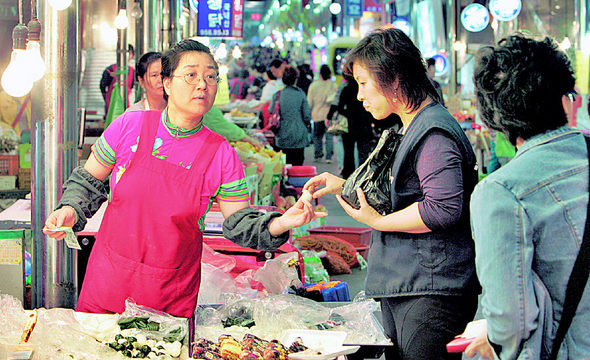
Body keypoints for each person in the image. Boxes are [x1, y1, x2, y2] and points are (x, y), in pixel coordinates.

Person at [43, 39, 324, 318]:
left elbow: (239, 224)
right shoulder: (130, 126)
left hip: (169, 298)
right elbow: (88, 181)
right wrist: (70, 209)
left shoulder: (221, 154)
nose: (202, 84)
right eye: (191, 75)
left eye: (211, 76)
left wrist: (282, 222)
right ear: (166, 83)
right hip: (109, 284)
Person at [303, 28, 480, 360]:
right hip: (410, 284)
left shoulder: (434, 131)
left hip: (430, 291)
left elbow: (442, 208)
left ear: (394, 78)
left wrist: (378, 221)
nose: (359, 95)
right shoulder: (412, 124)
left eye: (364, 83)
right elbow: (404, 194)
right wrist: (345, 186)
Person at [467, 34, 590, 359]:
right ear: (565, 97)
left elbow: (511, 323)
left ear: (493, 115)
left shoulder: (500, 193)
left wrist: (490, 337)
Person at [327, 74, 375, 178]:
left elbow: (339, 107)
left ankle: (348, 175)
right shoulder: (365, 90)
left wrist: (347, 113)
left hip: (349, 125)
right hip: (364, 124)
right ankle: (363, 176)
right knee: (363, 153)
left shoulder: (346, 89)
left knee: (348, 152)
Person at [269, 65, 311, 166]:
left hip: (282, 135)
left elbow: (271, 110)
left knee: (283, 166)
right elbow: (307, 116)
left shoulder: (278, 94)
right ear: (296, 79)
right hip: (298, 135)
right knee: (297, 166)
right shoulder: (300, 94)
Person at [307, 64, 337, 163]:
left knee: (317, 136)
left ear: (320, 74)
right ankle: (328, 157)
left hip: (316, 115)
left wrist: (309, 112)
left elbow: (309, 102)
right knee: (329, 137)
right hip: (329, 116)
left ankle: (318, 154)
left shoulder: (314, 85)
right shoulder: (333, 85)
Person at [100, 44, 136, 118]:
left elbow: (131, 87)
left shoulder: (133, 72)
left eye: (129, 53)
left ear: (132, 55)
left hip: (126, 106)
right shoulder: (110, 70)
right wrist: (107, 100)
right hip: (111, 107)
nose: (127, 56)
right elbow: (102, 87)